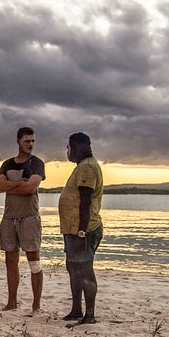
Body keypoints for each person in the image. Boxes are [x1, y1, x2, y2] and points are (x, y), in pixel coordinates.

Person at [0, 126, 46, 311]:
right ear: (18, 142)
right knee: (10, 261)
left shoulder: (36, 163)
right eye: (27, 141)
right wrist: (19, 184)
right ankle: (11, 302)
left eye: (33, 141)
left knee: (34, 261)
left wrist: (9, 185)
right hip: (9, 217)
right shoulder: (7, 164)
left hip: (29, 216)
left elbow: (30, 188)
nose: (30, 144)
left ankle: (36, 305)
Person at [58, 132, 103, 324]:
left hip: (84, 229)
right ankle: (76, 310)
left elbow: (85, 201)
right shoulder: (83, 166)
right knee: (73, 267)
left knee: (84, 269)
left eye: (69, 147)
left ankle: (89, 315)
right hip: (73, 229)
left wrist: (82, 233)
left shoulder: (86, 168)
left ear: (75, 147)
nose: (68, 151)